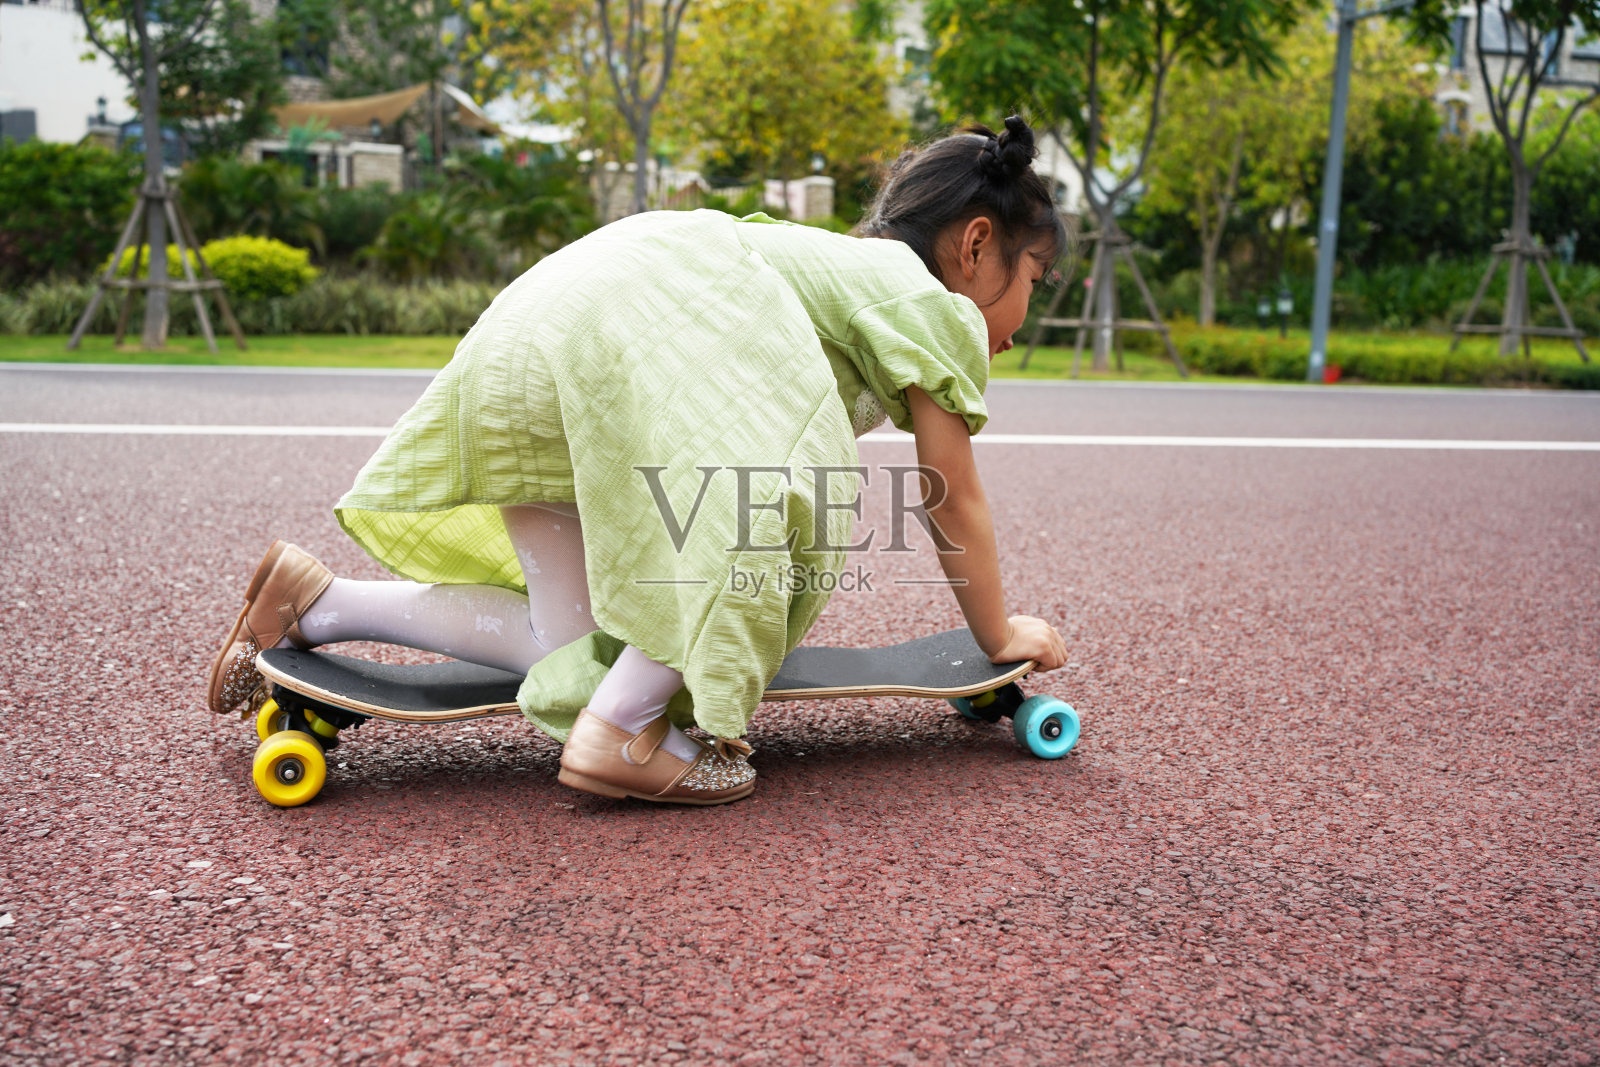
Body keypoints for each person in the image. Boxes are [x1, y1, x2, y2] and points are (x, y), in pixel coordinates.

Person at [207, 115, 1071, 806]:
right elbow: (951, 495)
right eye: (1035, 278)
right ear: (975, 245)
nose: (1024, 314)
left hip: (547, 331)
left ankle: (318, 604)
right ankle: (625, 726)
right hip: (623, 331)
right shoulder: (931, 303)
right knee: (760, 499)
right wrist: (996, 634)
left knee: (564, 644)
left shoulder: (827, 267)